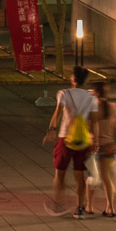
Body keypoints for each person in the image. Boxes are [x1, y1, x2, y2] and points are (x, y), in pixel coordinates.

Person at [42, 65, 98, 218]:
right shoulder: (92, 98)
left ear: (73, 79)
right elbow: (93, 122)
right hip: (83, 140)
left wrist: (51, 130)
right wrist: (95, 141)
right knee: (79, 175)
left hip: (65, 138)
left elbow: (58, 113)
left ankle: (59, 203)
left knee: (60, 173)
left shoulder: (64, 94)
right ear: (84, 81)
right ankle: (79, 208)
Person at [90, 81, 116, 218]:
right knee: (107, 178)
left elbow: (91, 127)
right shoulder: (114, 107)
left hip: (94, 146)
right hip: (110, 146)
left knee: (92, 177)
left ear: (97, 93)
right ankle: (110, 207)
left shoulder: (93, 107)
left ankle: (89, 205)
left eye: (92, 91)